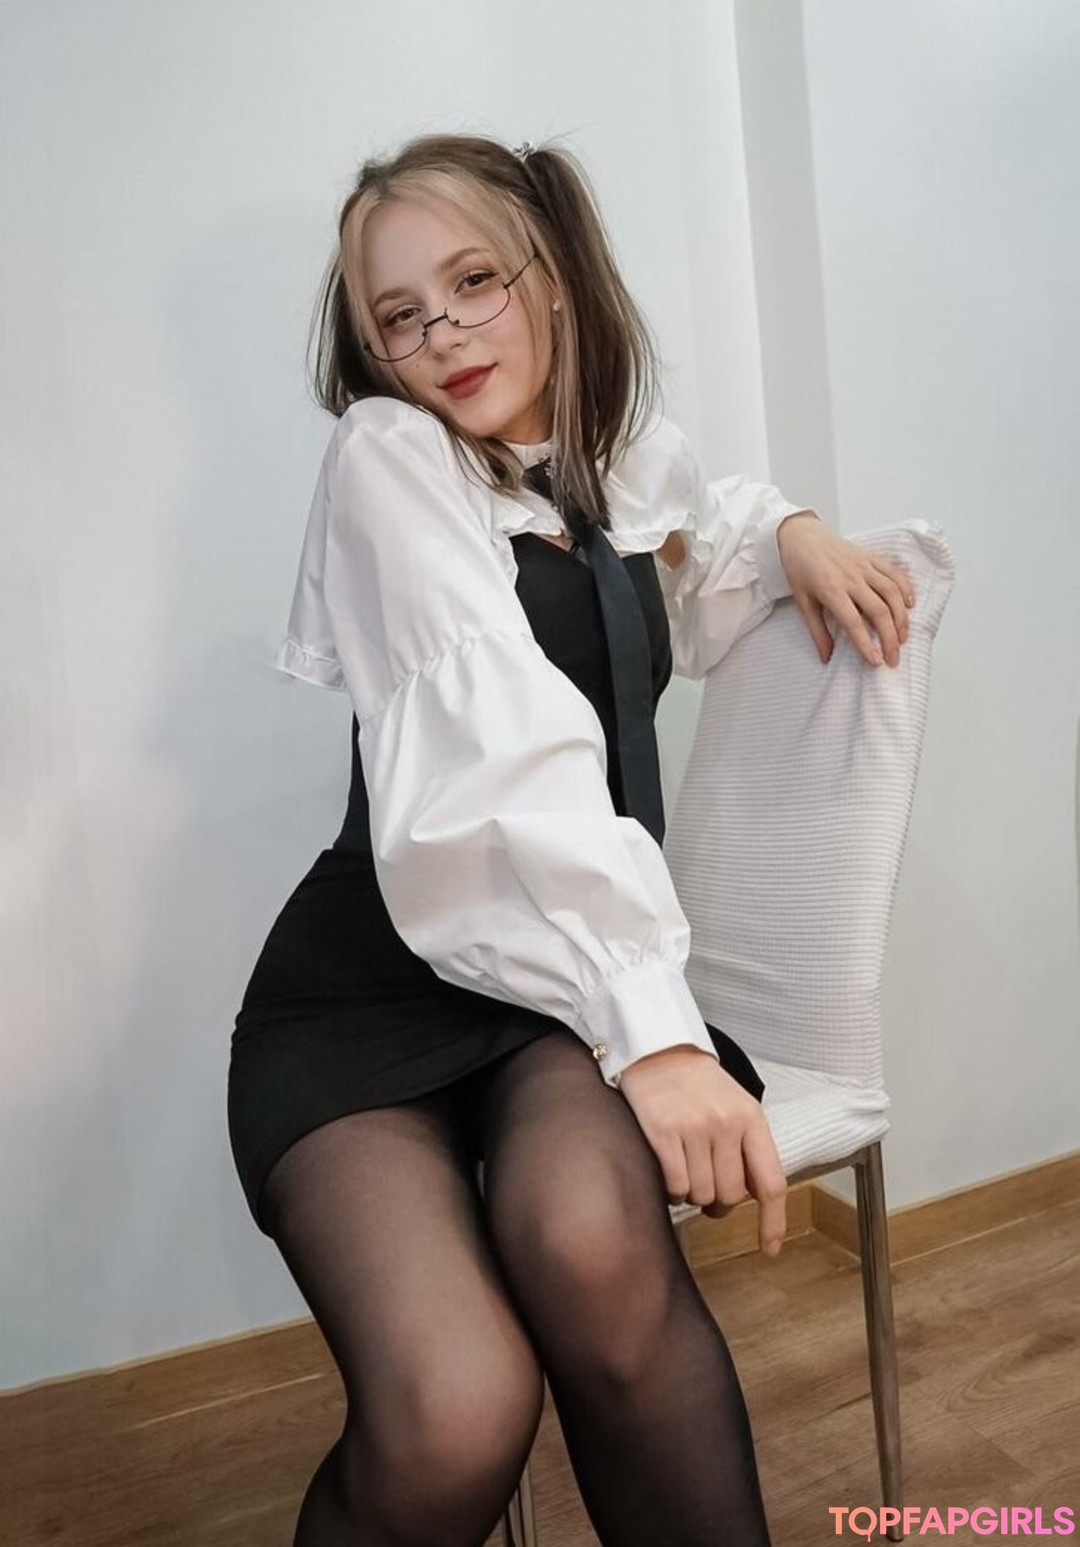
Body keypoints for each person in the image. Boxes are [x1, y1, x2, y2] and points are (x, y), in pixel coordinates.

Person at [227, 132, 914, 1547]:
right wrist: (655, 1040)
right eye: (400, 315)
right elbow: (503, 765)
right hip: (363, 1002)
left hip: (546, 996)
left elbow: (697, 546)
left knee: (593, 1250)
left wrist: (788, 524)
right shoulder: (390, 458)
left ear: (551, 275)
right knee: (459, 1405)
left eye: (473, 281)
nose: (442, 334)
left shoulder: (614, 462)